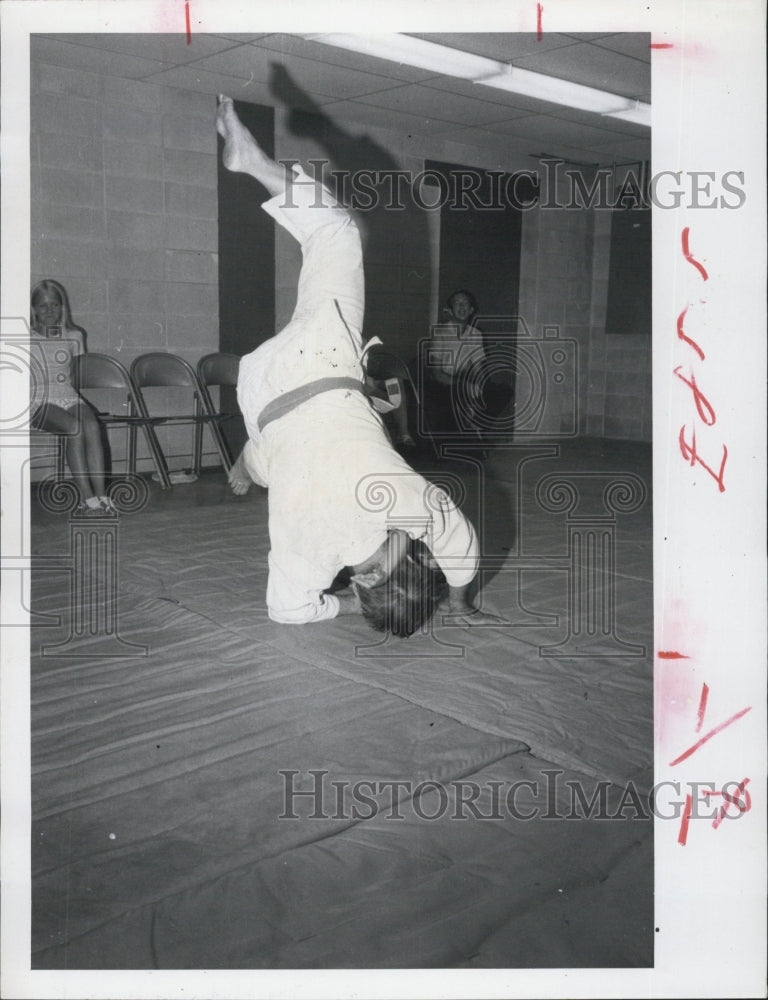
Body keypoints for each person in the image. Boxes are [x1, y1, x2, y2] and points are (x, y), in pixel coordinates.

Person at [217, 96, 499, 636]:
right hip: (261, 399)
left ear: (400, 561)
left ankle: (253, 162)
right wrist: (348, 603)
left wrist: (462, 603)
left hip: (322, 367)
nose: (412, 543)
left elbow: (460, 543)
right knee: (280, 457)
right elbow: (288, 611)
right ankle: (244, 466)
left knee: (336, 232)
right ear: (366, 583)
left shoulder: (399, 504)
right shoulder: (311, 556)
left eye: (412, 553)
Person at [29, 279, 115, 514]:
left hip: (67, 395)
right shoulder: (25, 336)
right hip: (36, 399)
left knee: (92, 425)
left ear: (62, 307)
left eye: (55, 305)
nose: (49, 311)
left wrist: (75, 402)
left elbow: (72, 375)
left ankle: (102, 496)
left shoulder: (74, 335)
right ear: (34, 309)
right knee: (74, 427)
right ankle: (88, 499)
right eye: (43, 305)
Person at [425, 289, 487, 437]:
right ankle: (467, 427)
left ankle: (473, 425)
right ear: (451, 310)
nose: (461, 307)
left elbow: (478, 369)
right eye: (457, 303)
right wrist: (463, 386)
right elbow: (436, 373)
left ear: (471, 310)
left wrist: (479, 386)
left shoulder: (476, 334)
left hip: (464, 381)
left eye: (465, 303)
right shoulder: (440, 333)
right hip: (442, 384)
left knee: (501, 391)